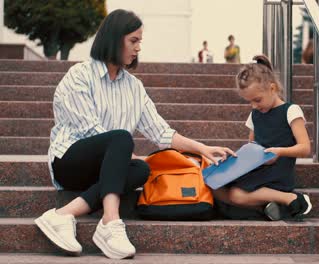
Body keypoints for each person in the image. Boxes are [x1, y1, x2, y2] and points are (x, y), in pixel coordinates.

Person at [34, 9, 234, 260]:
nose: (138, 47)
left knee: (141, 170)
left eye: (140, 41)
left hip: (106, 170)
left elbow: (160, 132)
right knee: (121, 139)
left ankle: (62, 215)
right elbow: (90, 130)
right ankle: (110, 221)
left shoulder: (134, 87)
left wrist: (202, 148)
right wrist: (125, 149)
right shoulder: (79, 76)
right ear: (114, 38)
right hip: (71, 161)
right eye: (133, 40)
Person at [212, 54, 312, 221]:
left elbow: (305, 148)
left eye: (257, 100)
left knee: (236, 195)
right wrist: (233, 161)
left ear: (272, 89)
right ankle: (268, 208)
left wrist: (279, 152)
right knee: (214, 187)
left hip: (276, 172)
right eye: (249, 102)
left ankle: (291, 199)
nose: (254, 106)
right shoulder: (255, 114)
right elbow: (252, 145)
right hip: (256, 170)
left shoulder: (291, 111)